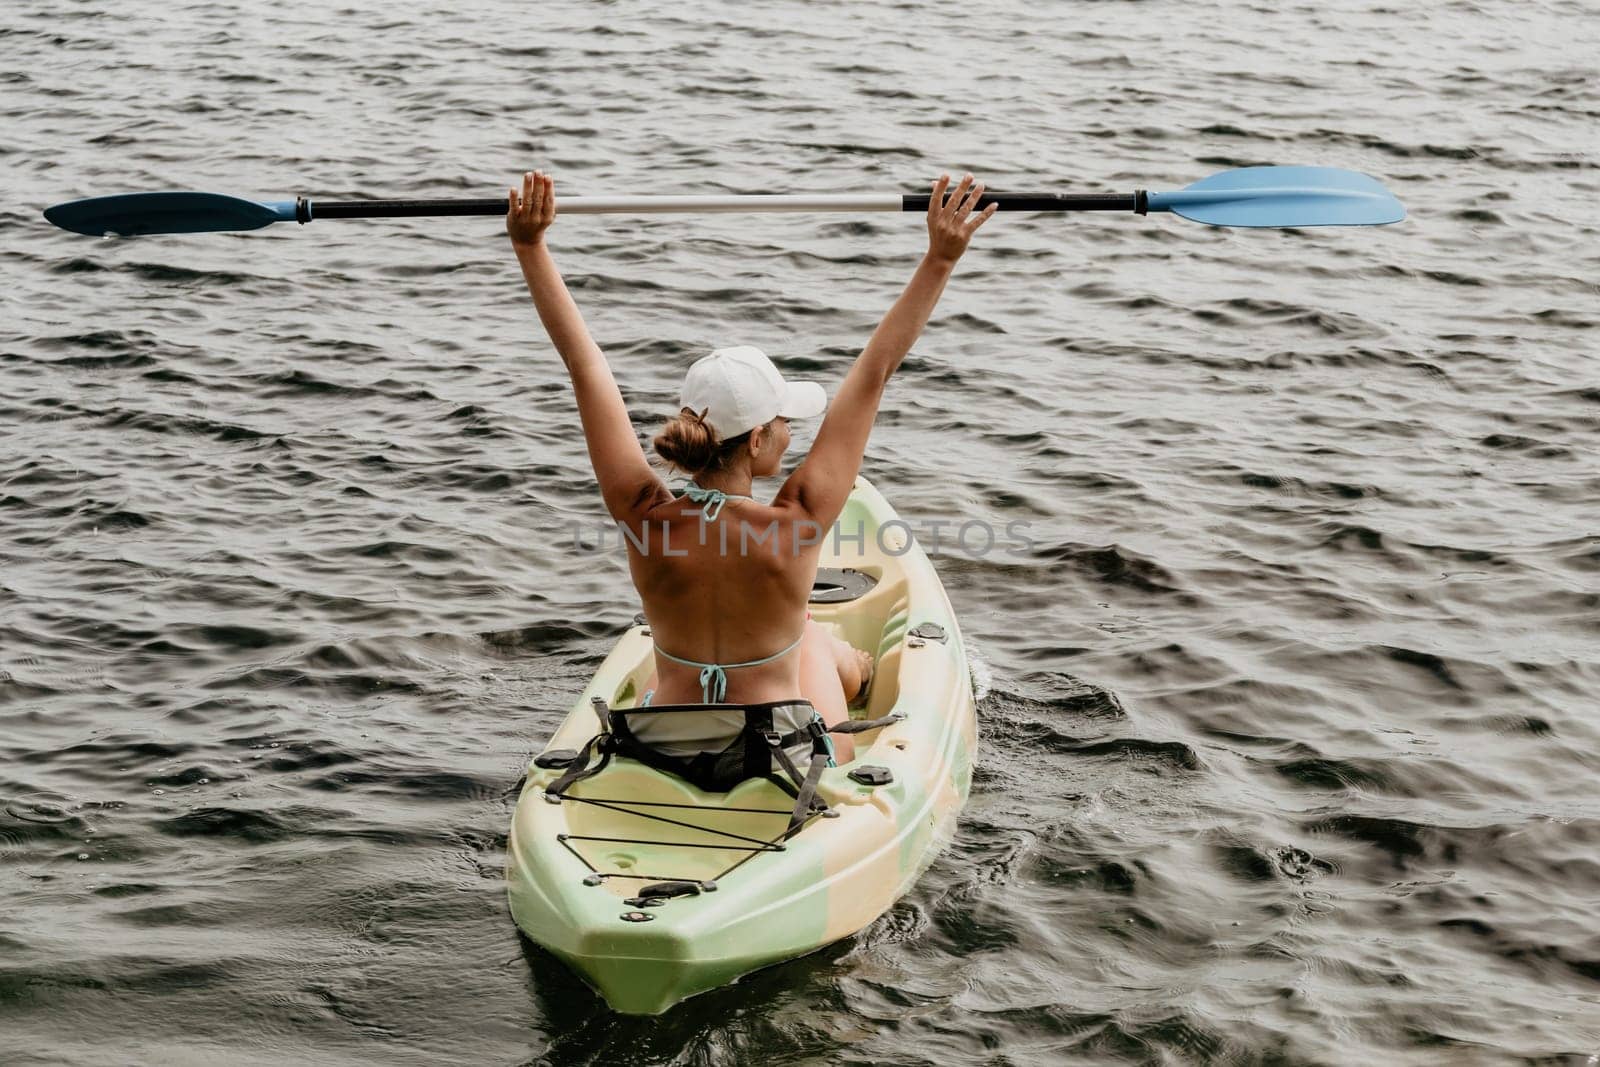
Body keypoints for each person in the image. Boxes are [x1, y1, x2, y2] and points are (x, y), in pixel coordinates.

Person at [507, 168, 995, 766]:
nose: (793, 432)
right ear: (760, 437)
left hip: (664, 747)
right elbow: (873, 373)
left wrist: (530, 247)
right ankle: (850, 668)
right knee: (810, 640)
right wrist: (941, 258)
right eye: (785, 422)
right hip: (775, 756)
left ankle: (831, 662)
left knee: (798, 642)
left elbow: (585, 366)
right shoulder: (796, 523)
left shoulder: (641, 513)